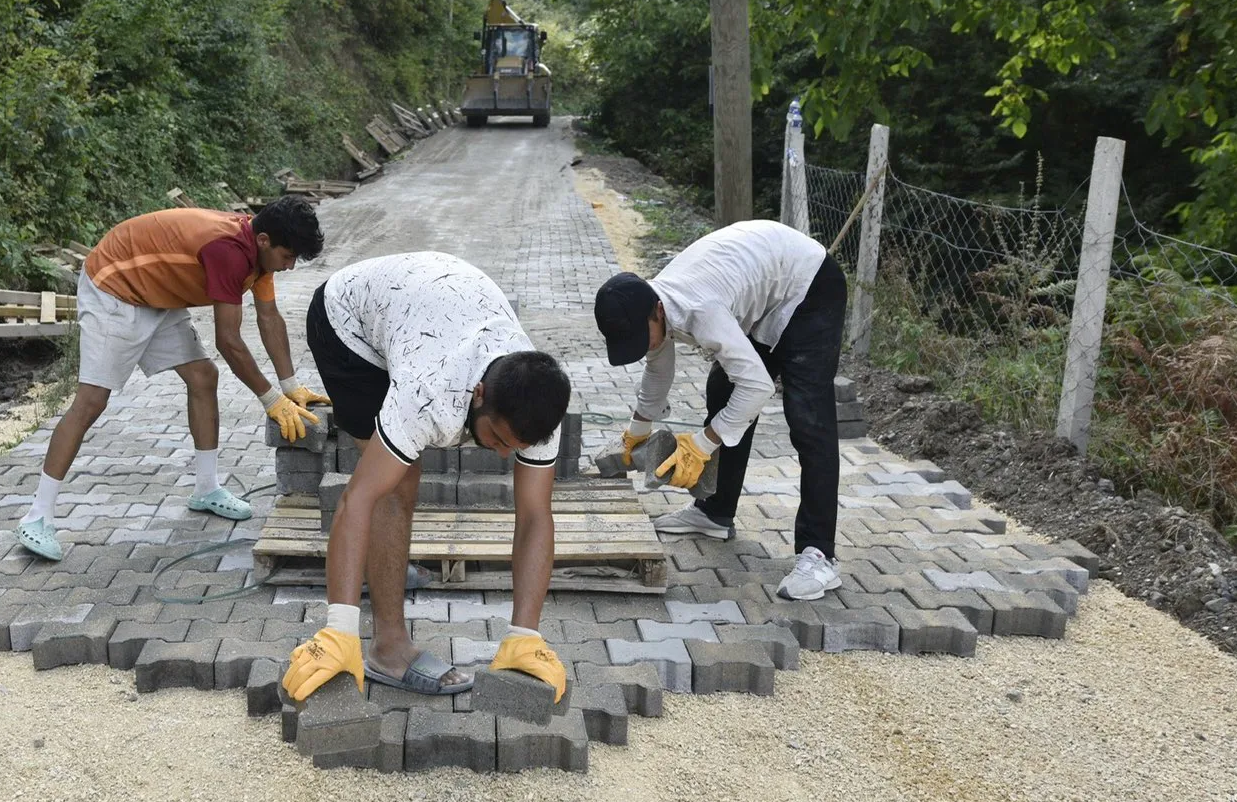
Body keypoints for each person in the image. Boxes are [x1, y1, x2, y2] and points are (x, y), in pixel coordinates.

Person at [280, 252, 572, 703]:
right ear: (478, 395)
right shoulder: (428, 392)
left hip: (431, 308)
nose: (502, 453)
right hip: (349, 323)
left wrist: (525, 634)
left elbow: (535, 515)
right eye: (496, 437)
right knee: (396, 483)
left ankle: (519, 640)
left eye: (517, 447)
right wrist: (337, 630)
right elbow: (357, 499)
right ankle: (387, 648)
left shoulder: (539, 407)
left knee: (405, 476)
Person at [19, 198, 328, 561]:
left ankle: (206, 489)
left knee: (202, 376)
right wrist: (270, 399)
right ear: (263, 240)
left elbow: (269, 316)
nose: (290, 266)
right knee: (91, 401)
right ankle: (37, 516)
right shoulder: (229, 252)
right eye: (288, 256)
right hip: (115, 287)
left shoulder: (259, 253)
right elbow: (228, 341)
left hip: (156, 293)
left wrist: (290, 386)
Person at [593, 218, 849, 602]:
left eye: (638, 338)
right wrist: (637, 432)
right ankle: (715, 512)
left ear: (657, 313)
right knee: (722, 386)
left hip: (809, 287)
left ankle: (819, 554)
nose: (640, 346)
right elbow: (658, 367)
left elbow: (758, 387)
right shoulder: (653, 302)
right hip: (768, 293)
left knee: (808, 418)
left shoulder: (699, 309)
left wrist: (702, 444)